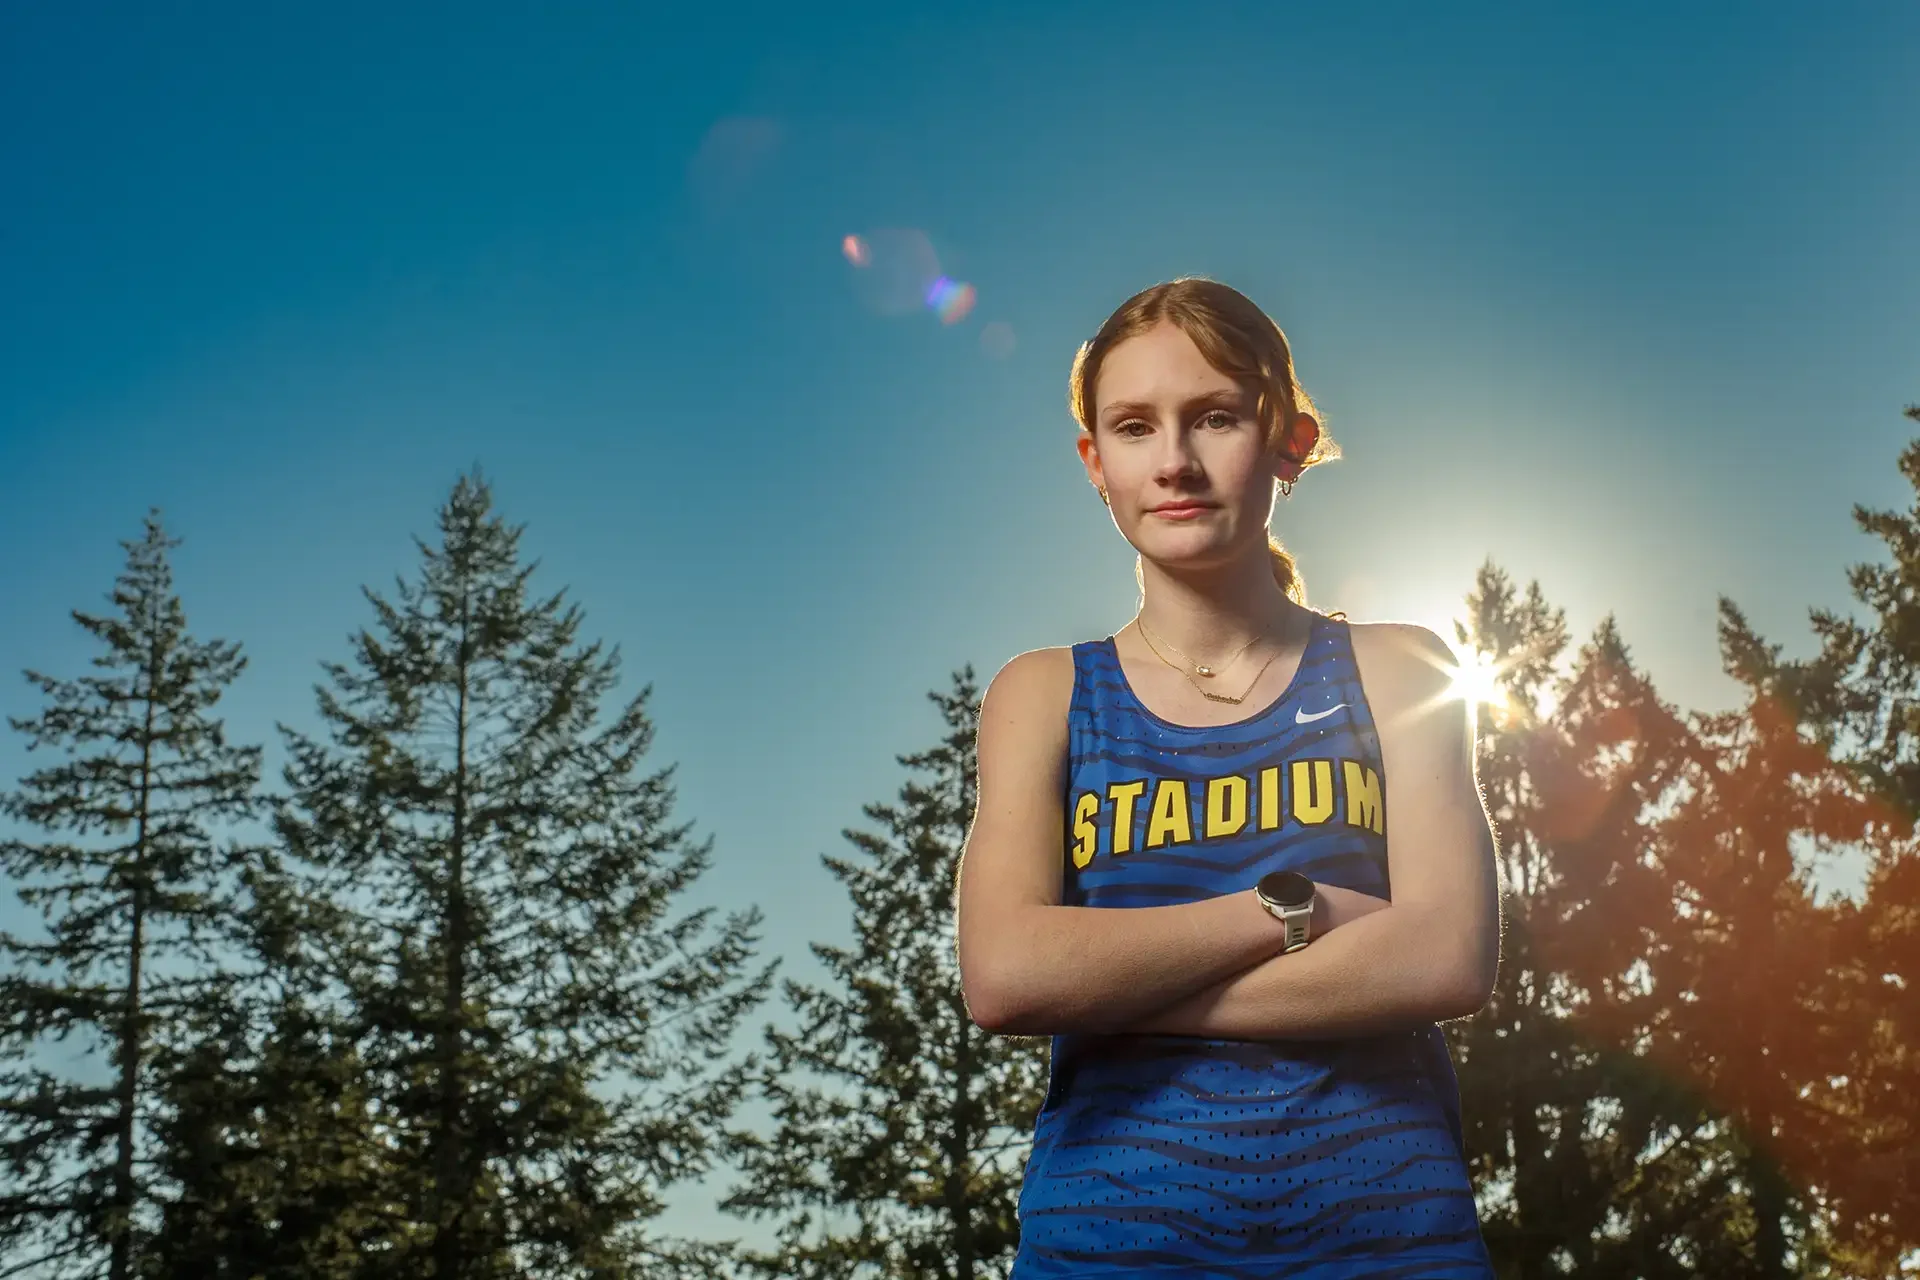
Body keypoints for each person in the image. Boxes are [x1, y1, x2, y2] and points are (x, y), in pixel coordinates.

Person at [955, 277, 1501, 1277]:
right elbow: (1003, 973)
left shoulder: (1399, 668)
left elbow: (1449, 956)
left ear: (1288, 440)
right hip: (1107, 1247)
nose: (1174, 460)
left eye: (1214, 416)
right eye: (1133, 426)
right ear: (1095, 462)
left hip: (1392, 1245)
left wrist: (1107, 983)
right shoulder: (1041, 694)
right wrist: (1281, 911)